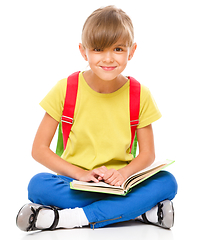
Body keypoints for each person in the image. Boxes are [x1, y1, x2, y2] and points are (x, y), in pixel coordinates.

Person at [16, 5, 177, 231]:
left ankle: (68, 219)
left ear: (132, 51)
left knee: (167, 182)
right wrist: (81, 174)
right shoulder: (65, 89)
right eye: (99, 49)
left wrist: (122, 174)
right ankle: (140, 211)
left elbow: (148, 153)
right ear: (84, 52)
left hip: (122, 184)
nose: (108, 58)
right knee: (38, 186)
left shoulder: (140, 94)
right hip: (76, 182)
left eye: (119, 49)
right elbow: (39, 149)